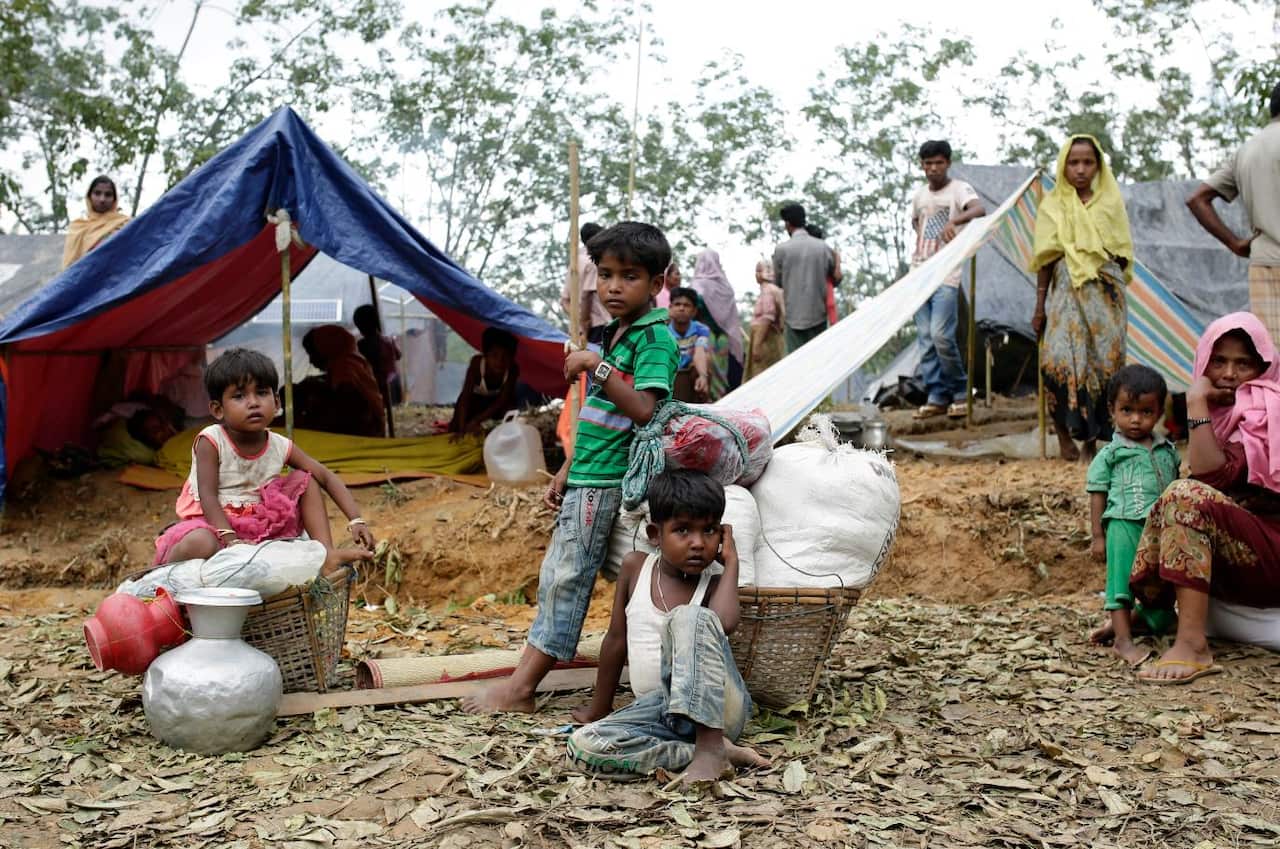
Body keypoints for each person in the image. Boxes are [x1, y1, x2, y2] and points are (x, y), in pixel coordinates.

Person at [463, 221, 678, 714]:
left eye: (629, 276)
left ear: (657, 284)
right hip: (590, 474)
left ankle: (521, 689)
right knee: (578, 575)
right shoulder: (617, 333)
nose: (613, 287)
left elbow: (645, 409)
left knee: (566, 578)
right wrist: (567, 469)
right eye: (604, 275)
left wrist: (594, 367)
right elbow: (600, 419)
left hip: (608, 483)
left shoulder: (654, 340)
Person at [567, 470, 769, 783]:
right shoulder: (636, 567)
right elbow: (616, 641)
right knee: (583, 745)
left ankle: (711, 742)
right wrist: (599, 708)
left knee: (687, 617)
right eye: (683, 530)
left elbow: (725, 623)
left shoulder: (714, 584)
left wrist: (732, 564)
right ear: (655, 535)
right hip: (661, 711)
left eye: (710, 531)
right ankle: (703, 753)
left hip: (718, 711)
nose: (698, 543)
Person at [1129, 313, 1280, 682]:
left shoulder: (1270, 411)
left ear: (1265, 367)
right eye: (1219, 360)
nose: (1229, 373)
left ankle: (1193, 645)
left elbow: (1212, 477)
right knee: (1167, 499)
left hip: (1273, 551)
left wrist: (1195, 403)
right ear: (1203, 362)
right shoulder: (1222, 415)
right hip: (1243, 551)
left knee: (1185, 496)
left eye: (1244, 363)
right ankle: (1150, 614)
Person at [153, 349, 376, 565]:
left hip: (261, 526)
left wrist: (356, 519)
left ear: (276, 402)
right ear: (218, 409)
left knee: (305, 479)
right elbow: (208, 495)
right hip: (214, 525)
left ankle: (326, 555)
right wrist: (232, 542)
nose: (253, 403)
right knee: (200, 542)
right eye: (239, 396)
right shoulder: (211, 440)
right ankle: (161, 577)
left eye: (261, 393)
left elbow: (325, 476)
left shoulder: (279, 445)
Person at [1029, 135, 1134, 461]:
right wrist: (1039, 306)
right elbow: (1046, 259)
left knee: (1103, 366)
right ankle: (1064, 437)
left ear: (1098, 166)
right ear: (1064, 165)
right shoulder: (1052, 205)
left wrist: (1100, 266)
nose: (1080, 169)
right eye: (1073, 162)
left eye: (1088, 162)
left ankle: (1092, 443)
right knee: (1057, 362)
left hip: (1105, 298)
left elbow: (1121, 253)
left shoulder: (1110, 203)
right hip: (1065, 294)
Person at [1085, 364, 1180, 666]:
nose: (1136, 419)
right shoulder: (1111, 453)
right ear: (1112, 410)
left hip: (1159, 529)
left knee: (1162, 583)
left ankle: (1137, 623)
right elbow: (1097, 492)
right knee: (1120, 583)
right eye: (1127, 410)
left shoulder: (1168, 450)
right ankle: (1123, 642)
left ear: (1159, 413)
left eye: (1146, 412)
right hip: (1123, 523)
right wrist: (1098, 536)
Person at [1186, 83, 1279, 339]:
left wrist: (1236, 244)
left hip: (1264, 262)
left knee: (1271, 349)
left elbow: (1198, 200)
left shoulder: (1247, 150)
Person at [909, 140, 986, 420]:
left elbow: (979, 209)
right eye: (928, 164)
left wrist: (955, 222)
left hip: (947, 271)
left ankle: (960, 391)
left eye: (938, 163)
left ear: (948, 163)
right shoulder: (919, 196)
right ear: (921, 165)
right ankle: (936, 395)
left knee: (942, 334)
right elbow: (917, 224)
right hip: (920, 272)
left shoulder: (959, 189)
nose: (933, 168)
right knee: (925, 337)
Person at [294, 325, 386, 438]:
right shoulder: (352, 361)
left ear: (326, 348)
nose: (311, 360)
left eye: (312, 353)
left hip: (360, 438)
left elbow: (346, 408)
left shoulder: (345, 368)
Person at [772, 203, 834, 353]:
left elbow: (778, 283)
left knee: (796, 364)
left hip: (793, 318)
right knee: (819, 360)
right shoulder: (823, 247)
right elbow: (834, 278)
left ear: (788, 224)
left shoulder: (781, 250)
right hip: (818, 315)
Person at [689, 249, 745, 392]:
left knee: (710, 378)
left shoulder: (697, 285)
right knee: (729, 380)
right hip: (727, 339)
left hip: (704, 339)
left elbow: (694, 308)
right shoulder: (725, 286)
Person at [449, 327, 521, 435]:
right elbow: (465, 396)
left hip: (497, 404)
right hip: (475, 401)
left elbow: (502, 400)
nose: (499, 361)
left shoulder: (513, 370)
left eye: (505, 356)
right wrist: (462, 427)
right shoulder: (477, 364)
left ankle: (504, 434)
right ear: (486, 355)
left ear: (511, 358)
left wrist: (477, 420)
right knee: (455, 428)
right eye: (494, 355)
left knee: (510, 409)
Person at [62, 176, 130, 269]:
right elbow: (70, 267)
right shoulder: (78, 228)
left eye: (108, 195)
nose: (102, 199)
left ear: (114, 199)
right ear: (89, 196)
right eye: (97, 193)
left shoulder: (125, 224)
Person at [560, 222, 610, 345]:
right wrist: (584, 323)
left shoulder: (575, 261)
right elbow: (587, 295)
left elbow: (564, 301)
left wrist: (577, 321)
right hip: (597, 325)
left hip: (577, 330)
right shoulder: (592, 262)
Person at [353, 304, 403, 414]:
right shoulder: (388, 340)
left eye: (359, 326)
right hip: (394, 384)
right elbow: (399, 355)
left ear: (361, 326)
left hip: (379, 386)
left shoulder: (362, 344)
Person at [667, 287, 712, 403]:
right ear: (670, 308)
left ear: (694, 311)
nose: (681, 308)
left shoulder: (700, 329)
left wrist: (702, 375)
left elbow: (700, 351)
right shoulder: (663, 329)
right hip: (668, 375)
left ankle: (702, 401)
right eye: (677, 304)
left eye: (687, 305)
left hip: (689, 374)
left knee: (706, 358)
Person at [745, 260, 785, 380]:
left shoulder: (768, 291)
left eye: (758, 271)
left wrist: (757, 345)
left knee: (761, 378)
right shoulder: (773, 290)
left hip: (766, 341)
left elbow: (767, 318)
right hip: (769, 340)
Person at [804, 224, 843, 327]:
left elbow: (837, 277)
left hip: (824, 285)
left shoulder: (828, 252)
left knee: (830, 306)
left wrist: (837, 261)